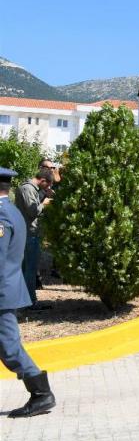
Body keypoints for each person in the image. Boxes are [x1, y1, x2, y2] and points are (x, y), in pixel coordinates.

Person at [0, 167, 56, 418]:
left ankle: (41, 394)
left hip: (2, 292)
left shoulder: (2, 215)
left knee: (9, 347)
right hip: (7, 288)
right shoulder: (11, 210)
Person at [15, 167, 54, 306]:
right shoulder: (27, 188)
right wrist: (45, 203)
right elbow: (33, 211)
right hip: (28, 233)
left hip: (30, 233)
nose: (48, 187)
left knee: (28, 268)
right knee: (30, 269)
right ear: (43, 180)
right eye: (48, 185)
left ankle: (24, 301)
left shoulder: (32, 189)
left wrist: (44, 195)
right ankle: (30, 302)